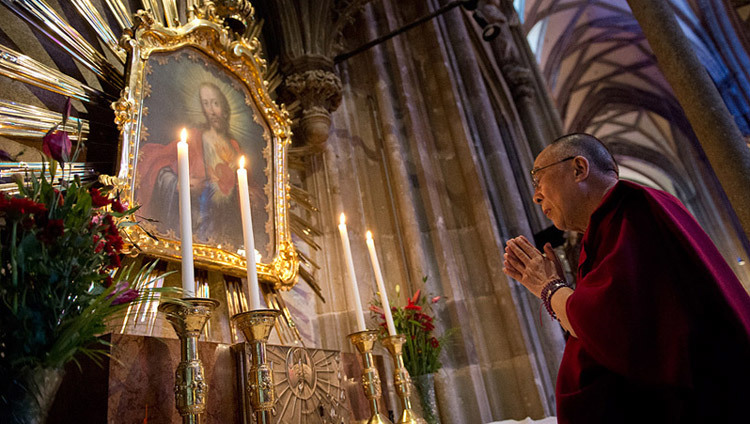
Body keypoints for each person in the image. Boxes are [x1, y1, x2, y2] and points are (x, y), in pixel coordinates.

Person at [502, 133, 750, 423]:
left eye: (538, 179)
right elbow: (610, 329)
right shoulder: (605, 230)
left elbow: (610, 326)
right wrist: (557, 293)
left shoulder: (633, 210)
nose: (536, 196)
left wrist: (549, 288)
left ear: (579, 168)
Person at [137, 82, 264, 250]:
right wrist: (177, 184)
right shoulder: (194, 138)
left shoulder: (233, 147)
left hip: (224, 234)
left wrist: (252, 195)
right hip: (191, 226)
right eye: (206, 103)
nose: (211, 110)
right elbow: (156, 163)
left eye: (215, 103)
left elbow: (248, 186)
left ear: (224, 107)